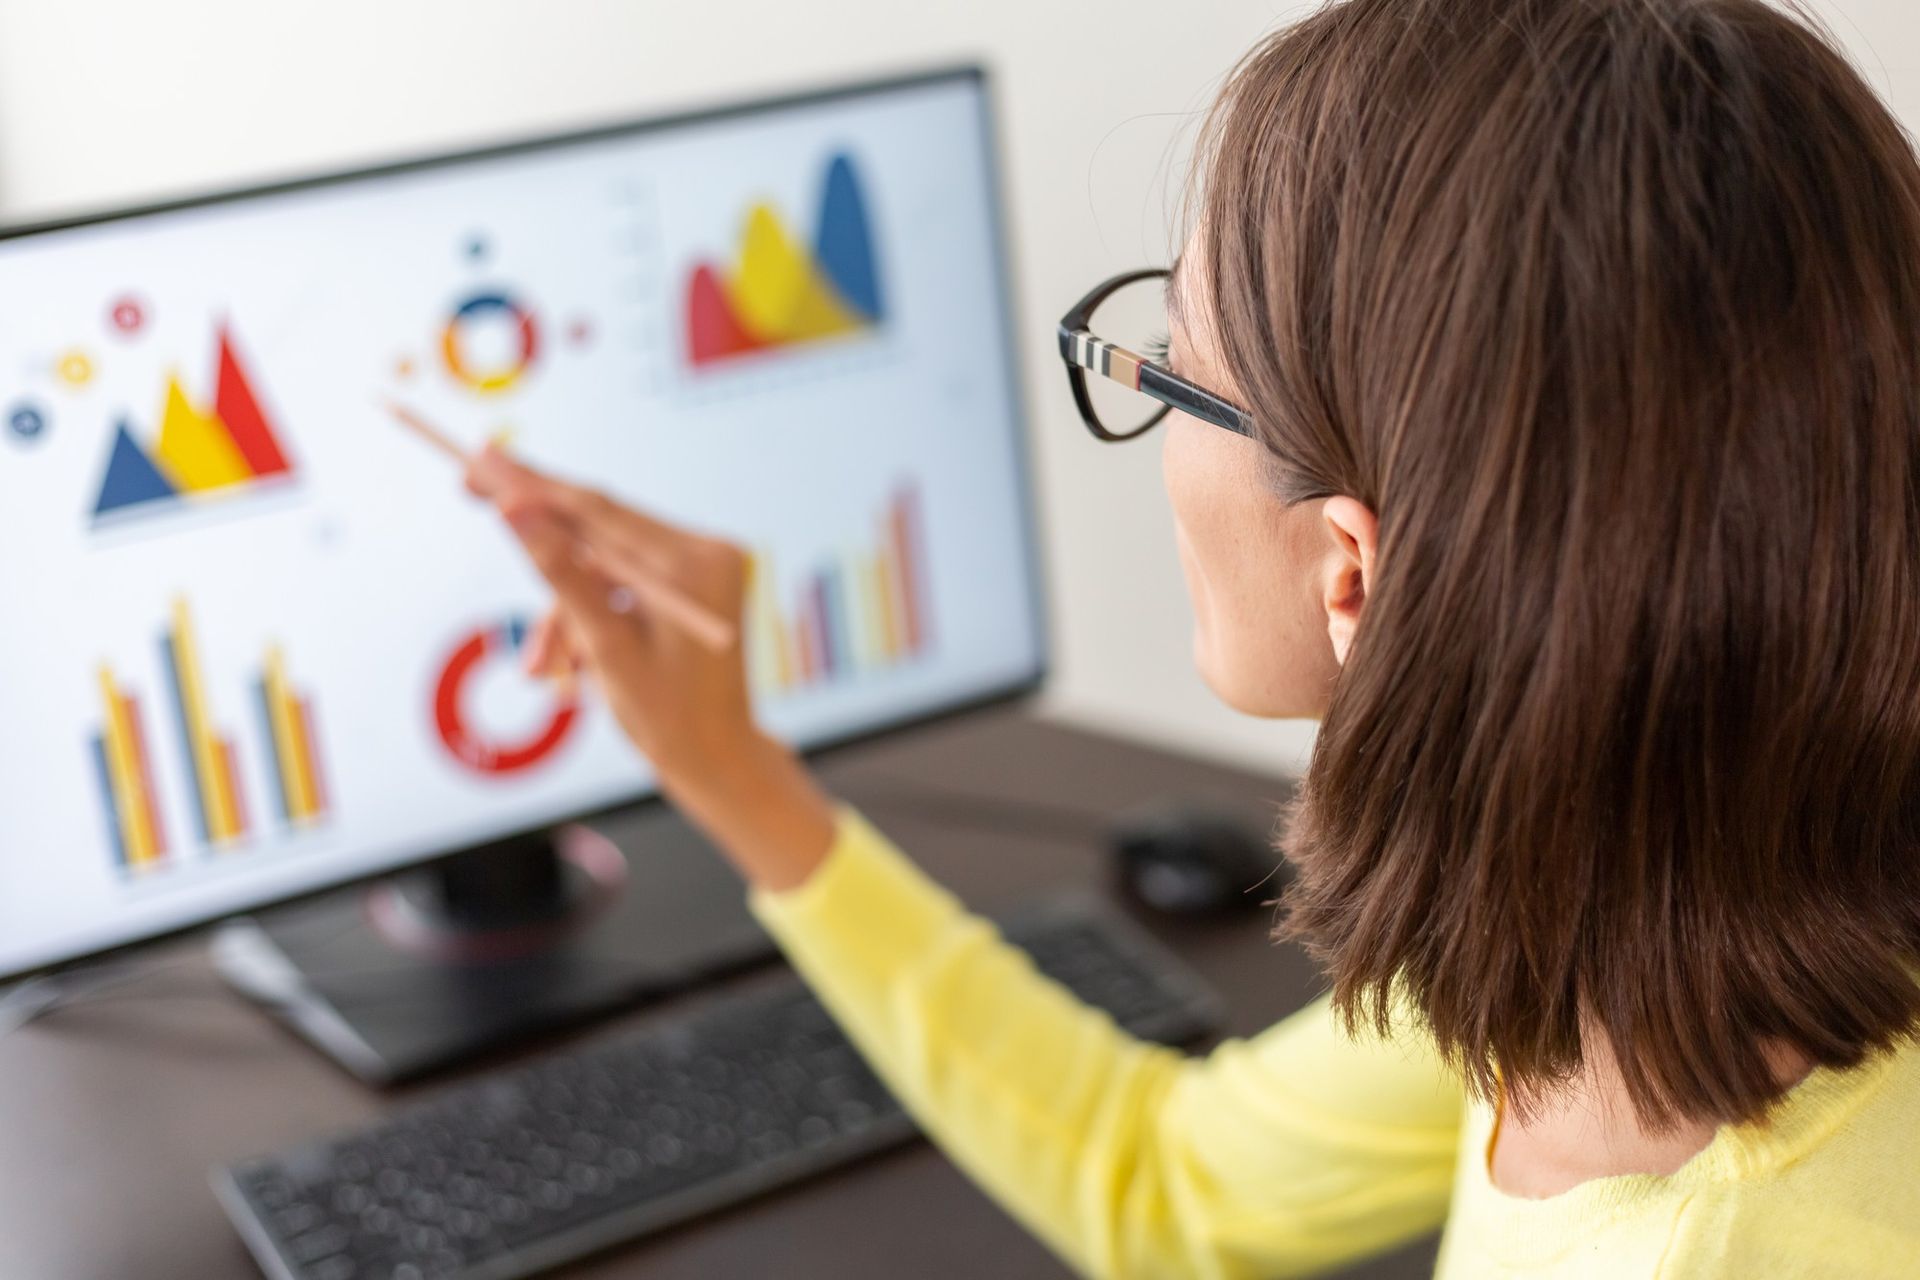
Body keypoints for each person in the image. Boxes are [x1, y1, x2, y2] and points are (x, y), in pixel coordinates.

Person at [464, 0, 1920, 1273]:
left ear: (1354, 576)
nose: (1151, 415)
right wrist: (728, 768)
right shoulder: (1635, 915)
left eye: (1181, 370)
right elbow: (1164, 1182)